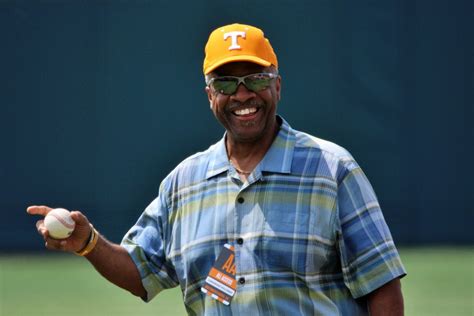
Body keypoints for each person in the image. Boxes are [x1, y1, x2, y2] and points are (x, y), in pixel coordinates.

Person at [28, 23, 406, 315]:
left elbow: (382, 285)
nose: (243, 95)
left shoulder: (332, 169)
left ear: (277, 87)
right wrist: (88, 243)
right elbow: (142, 272)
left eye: (255, 79)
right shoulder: (183, 183)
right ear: (211, 95)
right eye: (226, 82)